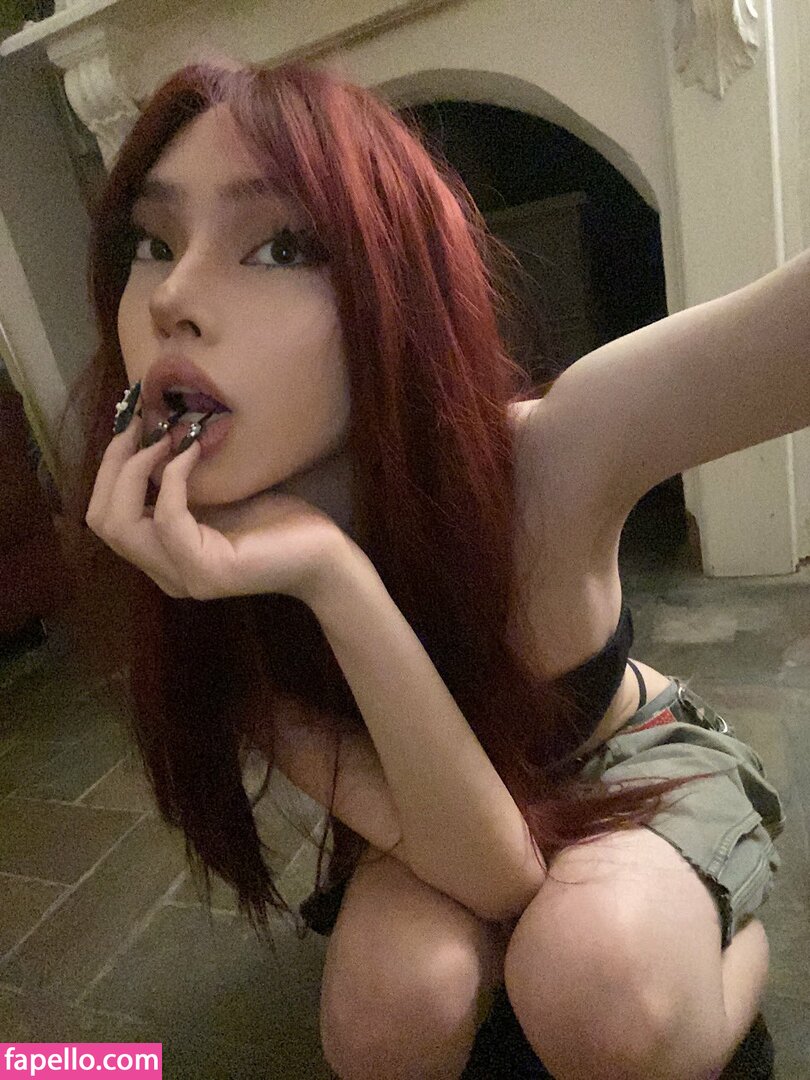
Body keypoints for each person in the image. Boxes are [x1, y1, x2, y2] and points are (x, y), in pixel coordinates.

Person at [56, 56, 792, 1080]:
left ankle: (729, 954)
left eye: (278, 246)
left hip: (631, 762)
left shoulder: (544, 456)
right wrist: (329, 577)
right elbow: (495, 875)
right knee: (384, 1024)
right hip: (445, 812)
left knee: (598, 987)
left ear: (394, 293)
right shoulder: (202, 572)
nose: (172, 297)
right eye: (154, 242)